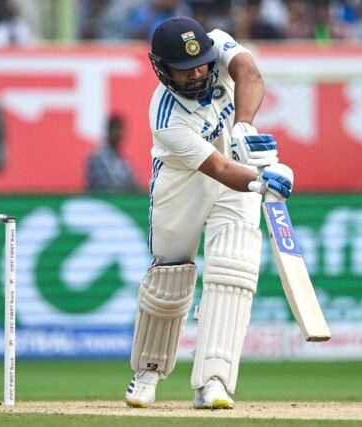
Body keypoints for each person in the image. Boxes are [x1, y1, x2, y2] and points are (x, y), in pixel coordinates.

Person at [124, 16, 293, 410]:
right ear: (162, 69)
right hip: (183, 181)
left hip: (236, 167)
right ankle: (148, 370)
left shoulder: (216, 44)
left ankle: (213, 380)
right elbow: (218, 169)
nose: (198, 73)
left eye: (201, 63)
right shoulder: (166, 118)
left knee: (234, 270)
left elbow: (249, 73)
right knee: (170, 277)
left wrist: (244, 127)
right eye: (185, 70)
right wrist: (261, 181)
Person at [86, 115, 139, 192]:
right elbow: (105, 187)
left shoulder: (124, 160)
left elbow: (135, 184)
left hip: (124, 202)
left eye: (121, 130)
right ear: (108, 131)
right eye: (116, 129)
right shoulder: (97, 158)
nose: (119, 133)